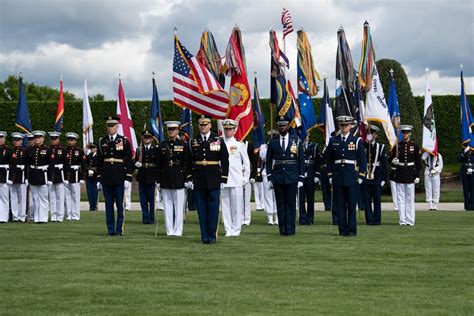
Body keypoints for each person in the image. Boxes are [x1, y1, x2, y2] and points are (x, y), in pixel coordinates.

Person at [187, 115, 229, 244]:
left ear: (210, 125)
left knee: (213, 209)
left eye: (205, 124)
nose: (203, 127)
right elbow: (189, 161)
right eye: (201, 124)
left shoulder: (218, 140)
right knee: (201, 210)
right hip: (199, 179)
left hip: (214, 178)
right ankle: (204, 236)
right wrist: (189, 178)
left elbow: (225, 160)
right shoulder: (193, 141)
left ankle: (212, 235)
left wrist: (223, 179)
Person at [326, 116, 367, 236]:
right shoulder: (333, 140)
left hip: (351, 177)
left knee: (351, 205)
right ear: (339, 126)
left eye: (346, 125)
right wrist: (330, 175)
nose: (344, 127)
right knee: (340, 206)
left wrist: (361, 176)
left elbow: (362, 160)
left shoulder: (356, 141)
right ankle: (342, 230)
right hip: (338, 177)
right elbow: (329, 160)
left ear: (350, 126)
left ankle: (352, 230)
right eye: (342, 125)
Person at [266, 117, 305, 236]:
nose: (282, 127)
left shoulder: (296, 140)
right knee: (280, 204)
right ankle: (282, 230)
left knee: (291, 204)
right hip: (278, 177)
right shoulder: (273, 141)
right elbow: (268, 161)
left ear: (288, 126)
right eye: (280, 126)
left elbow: (301, 160)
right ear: (278, 127)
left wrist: (301, 177)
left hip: (292, 176)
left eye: (284, 125)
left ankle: (291, 230)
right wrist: (269, 177)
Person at [97, 116, 133, 236]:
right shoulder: (102, 141)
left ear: (117, 126)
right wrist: (99, 178)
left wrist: (128, 177)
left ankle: (119, 229)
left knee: (119, 204)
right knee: (108, 205)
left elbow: (128, 160)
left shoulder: (123, 140)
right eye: (109, 126)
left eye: (113, 125)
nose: (110, 128)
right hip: (107, 177)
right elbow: (99, 161)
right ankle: (110, 229)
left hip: (119, 176)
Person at [157, 122, 192, 235]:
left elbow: (187, 163)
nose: (171, 131)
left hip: (179, 177)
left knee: (178, 206)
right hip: (166, 177)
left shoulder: (183, 145)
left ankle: (178, 230)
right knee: (167, 206)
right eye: (169, 129)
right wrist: (158, 180)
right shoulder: (162, 145)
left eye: (173, 129)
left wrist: (188, 178)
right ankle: (169, 230)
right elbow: (159, 164)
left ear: (178, 131)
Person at [221, 119, 250, 237]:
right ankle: (228, 229)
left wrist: (245, 178)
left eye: (230, 129)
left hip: (236, 179)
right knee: (225, 207)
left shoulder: (239, 145)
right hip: (223, 180)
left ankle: (236, 229)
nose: (227, 131)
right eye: (226, 129)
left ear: (234, 130)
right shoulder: (219, 144)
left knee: (237, 207)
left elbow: (246, 163)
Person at [391, 125, 421, 226]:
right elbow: (389, 160)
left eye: (407, 133)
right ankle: (402, 220)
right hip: (400, 174)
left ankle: (410, 220)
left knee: (410, 199)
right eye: (403, 133)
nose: (405, 135)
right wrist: (393, 161)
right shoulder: (397, 146)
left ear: (410, 134)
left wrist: (417, 176)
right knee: (401, 199)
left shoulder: (415, 146)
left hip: (410, 174)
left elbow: (418, 162)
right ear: (401, 134)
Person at [362, 126, 387, 225]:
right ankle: (369, 220)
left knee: (377, 199)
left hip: (377, 176)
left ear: (375, 135)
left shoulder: (380, 147)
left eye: (371, 133)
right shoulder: (362, 146)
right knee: (367, 200)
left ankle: (376, 220)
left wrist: (384, 179)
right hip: (365, 176)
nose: (369, 135)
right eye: (368, 133)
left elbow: (384, 165)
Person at [27, 131, 52, 223]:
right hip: (33, 175)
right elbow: (27, 164)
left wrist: (50, 179)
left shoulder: (47, 149)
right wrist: (27, 177)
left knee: (43, 198)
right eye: (35, 138)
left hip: (43, 175)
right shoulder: (30, 149)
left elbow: (51, 165)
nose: (37, 139)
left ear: (43, 139)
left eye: (39, 137)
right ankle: (37, 217)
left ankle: (43, 218)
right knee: (35, 198)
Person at [135, 130, 159, 225]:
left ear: (152, 139)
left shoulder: (156, 149)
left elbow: (157, 164)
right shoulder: (139, 150)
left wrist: (158, 178)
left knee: (151, 200)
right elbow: (134, 162)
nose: (146, 139)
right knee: (143, 200)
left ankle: (151, 218)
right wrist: (136, 164)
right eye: (145, 137)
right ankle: (145, 218)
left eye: (148, 137)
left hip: (151, 176)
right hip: (142, 176)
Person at [298, 138, 323, 225]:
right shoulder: (297, 145)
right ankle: (302, 218)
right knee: (301, 198)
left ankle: (310, 218)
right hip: (300, 174)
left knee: (310, 197)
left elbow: (319, 160)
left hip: (310, 173)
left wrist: (317, 174)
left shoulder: (314, 146)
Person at [64, 132, 86, 221]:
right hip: (67, 175)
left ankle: (76, 215)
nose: (70, 141)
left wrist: (82, 177)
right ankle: (68, 214)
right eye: (69, 140)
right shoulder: (64, 150)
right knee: (67, 196)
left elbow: (83, 165)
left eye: (72, 140)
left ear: (75, 141)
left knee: (76, 196)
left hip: (76, 175)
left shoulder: (79, 151)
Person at [9, 132, 28, 222]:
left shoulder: (24, 151)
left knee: (22, 198)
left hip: (22, 175)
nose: (16, 142)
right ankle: (15, 216)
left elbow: (27, 165)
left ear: (21, 141)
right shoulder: (10, 151)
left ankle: (22, 216)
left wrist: (27, 177)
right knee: (13, 197)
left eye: (18, 140)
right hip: (13, 176)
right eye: (15, 140)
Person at [48, 131, 66, 222]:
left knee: (60, 197)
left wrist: (66, 177)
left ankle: (60, 216)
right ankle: (53, 215)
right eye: (52, 139)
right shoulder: (48, 149)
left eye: (55, 139)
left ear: (58, 139)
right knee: (52, 197)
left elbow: (66, 164)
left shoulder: (62, 149)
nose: (53, 140)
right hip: (51, 175)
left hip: (59, 174)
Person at [259, 141, 278, 225]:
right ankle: (270, 218)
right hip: (266, 173)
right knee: (268, 196)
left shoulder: (280, 145)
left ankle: (277, 218)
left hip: (277, 173)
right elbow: (263, 156)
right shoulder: (264, 147)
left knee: (277, 196)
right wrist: (268, 147)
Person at [242, 140, 256, 225]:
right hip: (236, 174)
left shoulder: (249, 145)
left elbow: (254, 161)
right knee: (238, 199)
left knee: (247, 199)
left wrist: (253, 175)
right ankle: (240, 218)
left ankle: (247, 219)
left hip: (247, 174)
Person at [0, 131, 12, 223]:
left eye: (1, 138)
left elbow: (13, 165)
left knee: (4, 198)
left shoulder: (8, 150)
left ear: (4, 139)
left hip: (4, 175)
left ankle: (3, 217)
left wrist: (11, 178)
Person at [85, 143, 99, 211]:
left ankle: (95, 205)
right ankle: (91, 205)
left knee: (95, 191)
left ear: (96, 148)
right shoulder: (88, 155)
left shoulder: (98, 156)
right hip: (89, 175)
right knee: (89, 191)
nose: (92, 149)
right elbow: (84, 160)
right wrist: (86, 149)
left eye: (93, 147)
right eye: (91, 148)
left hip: (95, 175)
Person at [26, 133, 35, 221]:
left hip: (36, 175)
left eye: (31, 139)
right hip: (28, 175)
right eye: (29, 140)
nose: (30, 141)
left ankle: (34, 215)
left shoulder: (36, 149)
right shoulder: (26, 150)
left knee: (35, 196)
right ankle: (29, 215)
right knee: (28, 197)